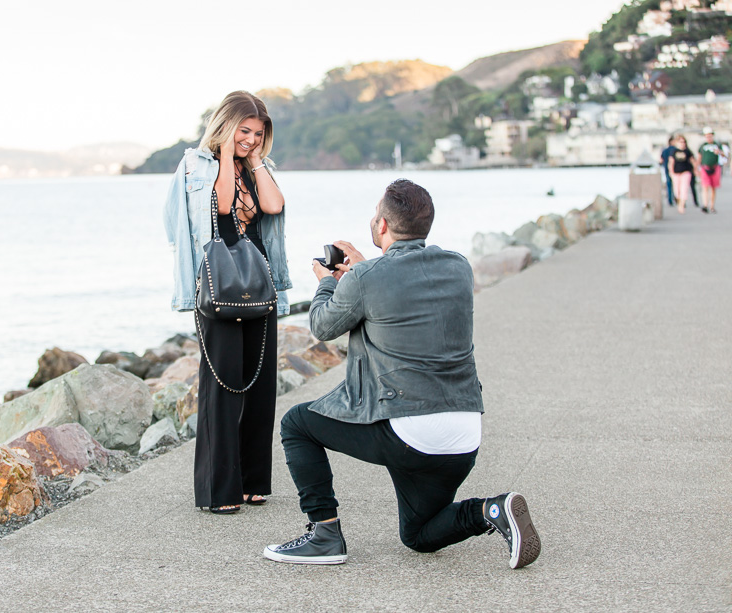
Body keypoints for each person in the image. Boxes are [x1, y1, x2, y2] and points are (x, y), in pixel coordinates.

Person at [262, 179, 541, 569]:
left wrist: (328, 282)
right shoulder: (458, 267)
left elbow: (323, 326)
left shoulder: (365, 279)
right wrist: (365, 268)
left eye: (376, 214)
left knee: (296, 423)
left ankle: (324, 535)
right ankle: (491, 511)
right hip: (462, 435)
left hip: (408, 432)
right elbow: (403, 284)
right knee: (419, 535)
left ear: (381, 226)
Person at [163, 91, 292, 514]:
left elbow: (274, 205)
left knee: (258, 381)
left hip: (258, 278)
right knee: (221, 384)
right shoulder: (194, 166)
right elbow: (216, 209)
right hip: (217, 280)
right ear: (225, 124)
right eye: (244, 130)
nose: (251, 139)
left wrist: (254, 162)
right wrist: (223, 156)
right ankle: (219, 490)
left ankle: (253, 481)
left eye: (258, 133)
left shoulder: (260, 167)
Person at [668, 135, 698, 214]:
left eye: (684, 142)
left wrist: (696, 170)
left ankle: (682, 205)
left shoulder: (687, 151)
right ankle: (679, 202)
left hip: (686, 172)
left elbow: (693, 161)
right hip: (676, 172)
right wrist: (671, 172)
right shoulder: (674, 151)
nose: (682, 144)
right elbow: (671, 162)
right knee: (677, 191)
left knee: (684, 189)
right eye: (681, 142)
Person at [697, 127, 722, 214]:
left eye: (710, 136)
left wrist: (719, 152)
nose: (709, 138)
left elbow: (724, 155)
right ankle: (705, 205)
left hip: (715, 167)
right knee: (705, 187)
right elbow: (699, 157)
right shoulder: (702, 146)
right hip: (705, 167)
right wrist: (696, 168)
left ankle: (712, 206)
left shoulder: (717, 144)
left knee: (713, 188)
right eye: (707, 136)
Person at [660, 136, 677, 207]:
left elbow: (661, 160)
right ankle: (677, 199)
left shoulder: (664, 150)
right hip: (676, 170)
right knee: (676, 186)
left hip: (666, 169)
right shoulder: (676, 150)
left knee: (669, 185)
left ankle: (670, 200)